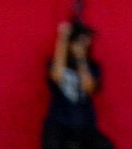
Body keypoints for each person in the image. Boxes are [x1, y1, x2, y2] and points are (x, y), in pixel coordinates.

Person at [42, 19, 115, 149]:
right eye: (79, 41)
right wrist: (63, 39)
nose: (84, 45)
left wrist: (81, 58)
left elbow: (89, 87)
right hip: (59, 126)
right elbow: (57, 76)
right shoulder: (55, 63)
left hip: (85, 127)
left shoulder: (93, 67)